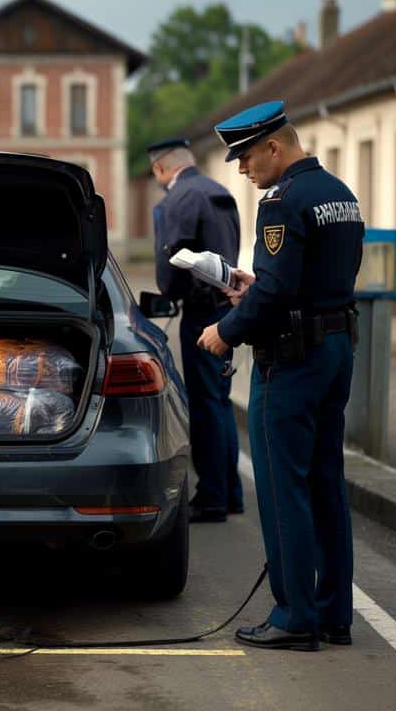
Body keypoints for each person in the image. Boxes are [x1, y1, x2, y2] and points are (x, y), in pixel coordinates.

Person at [198, 100, 364, 652]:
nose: (242, 169)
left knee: (281, 486)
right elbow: (309, 280)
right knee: (324, 481)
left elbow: (275, 292)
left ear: (274, 146)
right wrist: (263, 292)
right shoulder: (340, 194)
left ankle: (294, 617)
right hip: (336, 347)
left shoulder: (283, 202)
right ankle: (334, 612)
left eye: (245, 157)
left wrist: (227, 328)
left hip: (291, 360)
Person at [147, 137, 243, 523]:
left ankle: (212, 497)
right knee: (220, 401)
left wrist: (169, 292)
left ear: (160, 168)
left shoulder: (177, 199)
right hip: (228, 310)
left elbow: (172, 262)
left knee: (204, 406)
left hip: (201, 314)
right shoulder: (220, 192)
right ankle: (231, 492)